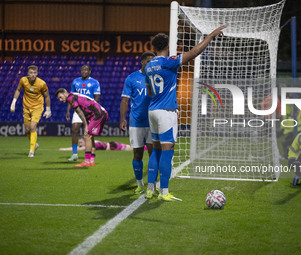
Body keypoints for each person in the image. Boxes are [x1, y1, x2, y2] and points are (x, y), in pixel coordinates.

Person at [144, 25, 226, 201]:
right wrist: (210, 35)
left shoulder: (149, 65)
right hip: (166, 111)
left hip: (152, 109)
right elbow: (194, 52)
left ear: (154, 47)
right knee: (168, 150)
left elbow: (149, 89)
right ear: (167, 46)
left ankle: (150, 189)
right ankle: (164, 193)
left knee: (156, 150)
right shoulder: (169, 61)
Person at [120, 52, 155, 194]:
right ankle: (140, 184)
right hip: (136, 122)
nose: (150, 64)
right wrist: (123, 118)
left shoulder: (156, 77)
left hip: (154, 121)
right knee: (138, 155)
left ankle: (152, 185)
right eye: (148, 61)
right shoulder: (132, 78)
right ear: (142, 62)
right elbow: (125, 100)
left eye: (153, 61)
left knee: (154, 155)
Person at [55, 88, 108, 167]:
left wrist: (86, 125)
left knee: (87, 135)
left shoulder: (70, 98)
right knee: (91, 137)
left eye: (60, 97)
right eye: (59, 98)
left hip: (97, 114)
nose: (60, 99)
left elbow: (80, 112)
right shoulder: (74, 96)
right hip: (101, 113)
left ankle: (86, 161)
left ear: (65, 93)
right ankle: (91, 161)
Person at [10, 65, 52, 157]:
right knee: (27, 130)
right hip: (26, 107)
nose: (33, 75)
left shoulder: (41, 83)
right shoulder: (23, 80)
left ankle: (31, 151)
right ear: (28, 73)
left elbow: (47, 96)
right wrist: (13, 102)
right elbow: (18, 90)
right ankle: (35, 144)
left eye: (34, 73)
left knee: (33, 126)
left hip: (37, 107)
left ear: (37, 73)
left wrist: (48, 109)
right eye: (31, 73)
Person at [66, 65, 101, 162]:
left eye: (86, 70)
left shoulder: (95, 82)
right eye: (82, 69)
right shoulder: (75, 81)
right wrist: (68, 110)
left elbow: (97, 97)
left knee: (90, 134)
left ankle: (92, 155)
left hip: (89, 111)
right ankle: (74, 154)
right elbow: (71, 97)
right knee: (74, 130)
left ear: (89, 71)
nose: (84, 71)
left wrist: (93, 109)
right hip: (78, 110)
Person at [59, 137, 135, 152]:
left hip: (114, 147)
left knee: (133, 149)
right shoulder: (90, 143)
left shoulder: (90, 144)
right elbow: (79, 148)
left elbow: (79, 149)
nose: (80, 144)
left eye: (81, 142)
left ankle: (145, 147)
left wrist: (65, 149)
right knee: (133, 148)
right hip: (112, 144)